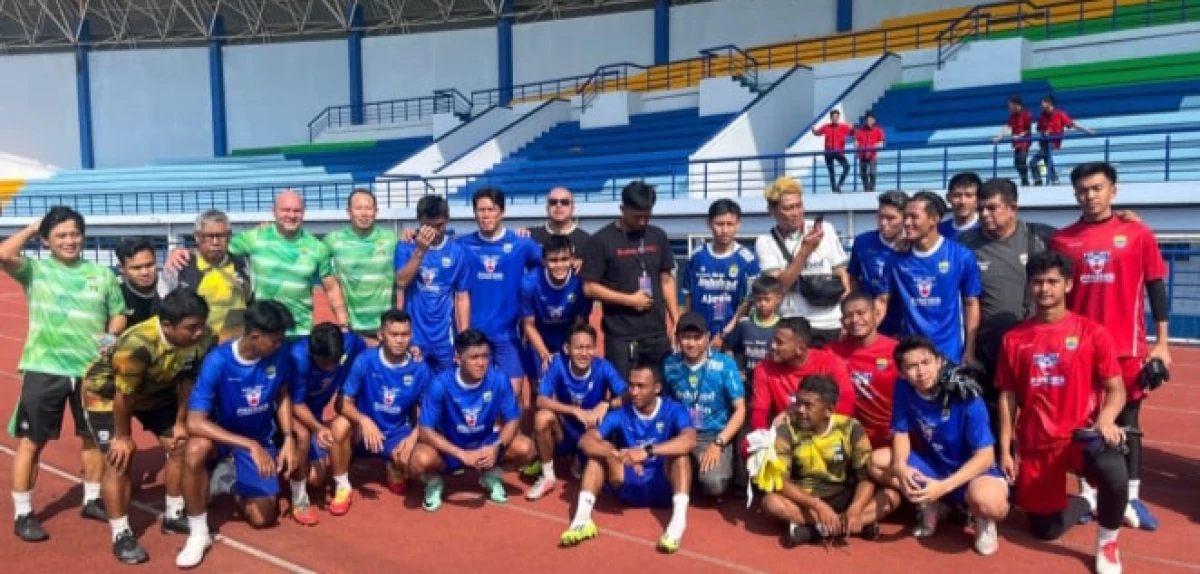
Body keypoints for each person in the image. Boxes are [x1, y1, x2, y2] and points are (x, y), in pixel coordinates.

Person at [1050, 162, 1168, 531]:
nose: (1090, 195)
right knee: (1083, 425)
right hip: (1079, 350)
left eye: (1097, 188)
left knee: (1128, 424)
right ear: (1075, 194)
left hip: (1126, 347)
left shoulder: (1137, 234)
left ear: (1113, 191)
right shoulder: (1062, 240)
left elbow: (1155, 287)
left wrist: (1162, 343)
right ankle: (1090, 495)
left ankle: (1131, 498)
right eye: (1083, 190)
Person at [996, 250, 1129, 574]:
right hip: (1037, 440)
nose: (1045, 289)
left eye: (1053, 282)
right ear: (1029, 287)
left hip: (1082, 435)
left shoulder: (1092, 332)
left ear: (1068, 284)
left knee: (1115, 473)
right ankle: (1086, 501)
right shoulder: (1014, 338)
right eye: (1038, 282)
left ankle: (1108, 542)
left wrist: (1105, 420)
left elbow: (1117, 390)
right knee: (1045, 530)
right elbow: (1007, 397)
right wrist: (1006, 448)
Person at [2, 206, 127, 542]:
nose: (70, 241)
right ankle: (24, 512)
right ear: (46, 240)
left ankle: (91, 499)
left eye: (74, 234)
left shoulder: (101, 275)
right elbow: (2, 254)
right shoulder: (35, 271)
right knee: (33, 442)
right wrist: (30, 229)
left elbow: (118, 314)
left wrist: (112, 335)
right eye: (60, 235)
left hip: (90, 372)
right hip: (45, 369)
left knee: (92, 438)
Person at [81, 289, 214, 564]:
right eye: (192, 328)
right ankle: (122, 533)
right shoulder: (137, 345)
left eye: (202, 325)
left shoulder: (198, 338)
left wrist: (179, 423)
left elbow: (187, 383)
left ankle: (174, 514)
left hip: (156, 391)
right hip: (108, 395)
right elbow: (123, 396)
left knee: (180, 446)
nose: (199, 333)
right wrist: (122, 436)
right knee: (119, 459)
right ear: (167, 326)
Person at [176, 300, 298, 568]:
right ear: (255, 336)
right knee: (194, 449)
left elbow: (283, 394)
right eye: (275, 340)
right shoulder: (218, 361)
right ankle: (199, 533)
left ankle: (228, 481)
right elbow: (194, 422)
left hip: (259, 439)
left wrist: (289, 437)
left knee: (263, 518)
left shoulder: (281, 355)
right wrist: (248, 444)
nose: (280, 345)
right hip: (223, 439)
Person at [167, 191, 350, 338]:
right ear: (274, 211)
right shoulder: (253, 238)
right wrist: (182, 252)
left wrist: (343, 324)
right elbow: (215, 247)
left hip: (300, 332)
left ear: (304, 212)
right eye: (285, 210)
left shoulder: (318, 248)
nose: (291, 215)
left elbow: (331, 288)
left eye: (297, 211)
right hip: (263, 332)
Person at [889, 337, 1010, 555]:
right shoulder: (903, 388)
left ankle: (982, 520)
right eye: (912, 366)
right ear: (902, 372)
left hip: (974, 472)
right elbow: (901, 431)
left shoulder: (966, 393)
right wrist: (899, 466)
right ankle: (935, 505)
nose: (921, 371)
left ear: (939, 361)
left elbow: (986, 456)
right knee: (880, 462)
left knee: (989, 502)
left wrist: (942, 487)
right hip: (936, 466)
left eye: (926, 362)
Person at [559, 363, 697, 553]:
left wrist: (647, 452)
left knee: (681, 456)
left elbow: (690, 440)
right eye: (631, 385)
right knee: (598, 453)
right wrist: (615, 454)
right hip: (628, 483)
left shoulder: (673, 409)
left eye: (641, 386)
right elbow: (585, 441)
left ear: (657, 388)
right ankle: (582, 521)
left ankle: (677, 524)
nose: (633, 392)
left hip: (662, 484)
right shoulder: (621, 413)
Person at [958, 178, 1056, 438]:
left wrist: (1125, 220)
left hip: (1034, 347)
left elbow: (1084, 238)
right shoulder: (966, 244)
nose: (984, 215)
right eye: (981, 209)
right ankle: (1001, 470)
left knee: (1038, 415)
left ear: (1013, 208)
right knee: (993, 416)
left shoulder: (1040, 237)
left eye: (992, 208)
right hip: (989, 350)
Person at [760, 375, 898, 547]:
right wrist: (817, 506)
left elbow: (866, 477)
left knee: (891, 496)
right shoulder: (785, 430)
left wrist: (856, 507)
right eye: (798, 402)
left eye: (808, 405)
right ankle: (852, 526)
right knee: (771, 503)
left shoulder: (851, 427)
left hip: (843, 496)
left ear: (829, 410)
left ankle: (815, 531)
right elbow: (780, 481)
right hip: (806, 499)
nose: (800, 410)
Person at [408, 329, 535, 511]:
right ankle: (435, 481)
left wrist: (496, 447)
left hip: (484, 444)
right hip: (450, 450)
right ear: (458, 359)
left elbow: (513, 419)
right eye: (474, 357)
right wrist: (461, 454)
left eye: (485, 356)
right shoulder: (440, 384)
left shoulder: (498, 379)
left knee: (527, 448)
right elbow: (425, 430)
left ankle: (491, 474)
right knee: (418, 460)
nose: (482, 363)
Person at [327, 309, 432, 515]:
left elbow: (430, 413)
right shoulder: (365, 361)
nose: (400, 340)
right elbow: (342, 403)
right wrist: (364, 421)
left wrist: (412, 438)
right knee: (339, 426)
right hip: (362, 433)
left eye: (405, 335)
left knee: (418, 462)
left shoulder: (420, 369)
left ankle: (393, 464)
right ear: (381, 335)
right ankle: (342, 486)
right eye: (394, 335)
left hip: (396, 434)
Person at [579, 182, 679, 380]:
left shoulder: (658, 236)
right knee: (625, 395)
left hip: (656, 334)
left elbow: (666, 280)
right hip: (621, 337)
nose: (642, 221)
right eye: (636, 216)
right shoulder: (601, 240)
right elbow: (589, 288)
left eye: (647, 215)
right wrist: (629, 300)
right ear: (622, 209)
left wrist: (676, 320)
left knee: (659, 393)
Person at [876, 191, 982, 365]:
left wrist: (969, 350)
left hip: (949, 353)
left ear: (934, 219)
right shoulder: (895, 259)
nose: (907, 223)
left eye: (914, 217)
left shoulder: (961, 256)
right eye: (905, 217)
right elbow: (881, 301)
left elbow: (971, 303)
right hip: (911, 354)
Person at [458, 188, 542, 405]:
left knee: (512, 396)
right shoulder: (462, 245)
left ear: (501, 212)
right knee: (474, 396)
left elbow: (552, 263)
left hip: (508, 336)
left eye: (490, 209)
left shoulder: (521, 244)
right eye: (480, 210)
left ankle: (508, 439)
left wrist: (575, 260)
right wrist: (411, 236)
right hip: (475, 335)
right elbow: (434, 249)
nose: (485, 215)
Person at [526, 324, 627, 501]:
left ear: (595, 348)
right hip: (565, 430)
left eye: (589, 348)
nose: (584, 353)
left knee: (605, 477)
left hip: (591, 432)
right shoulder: (557, 364)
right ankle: (548, 475)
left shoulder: (603, 367)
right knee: (542, 417)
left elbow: (628, 396)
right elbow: (540, 400)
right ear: (567, 349)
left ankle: (582, 461)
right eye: (579, 348)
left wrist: (606, 404)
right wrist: (573, 410)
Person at [754, 177, 851, 346]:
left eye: (799, 205)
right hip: (793, 324)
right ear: (772, 211)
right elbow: (778, 288)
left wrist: (846, 318)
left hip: (830, 322)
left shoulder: (824, 229)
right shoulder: (765, 242)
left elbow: (842, 274)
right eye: (788, 208)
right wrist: (804, 251)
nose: (796, 213)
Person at [287, 323, 367, 525]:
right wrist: (319, 428)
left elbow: (364, 349)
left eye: (334, 361)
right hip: (290, 414)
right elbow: (295, 404)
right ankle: (297, 496)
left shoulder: (351, 344)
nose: (330, 367)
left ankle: (342, 486)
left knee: (316, 478)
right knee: (303, 439)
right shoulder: (298, 359)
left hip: (315, 415)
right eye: (323, 362)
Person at [662, 312, 746, 499]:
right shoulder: (669, 364)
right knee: (660, 480)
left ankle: (722, 465)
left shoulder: (725, 364)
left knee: (714, 485)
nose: (690, 343)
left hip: (713, 435)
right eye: (685, 337)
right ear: (677, 338)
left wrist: (718, 443)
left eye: (696, 337)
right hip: (683, 433)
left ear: (707, 337)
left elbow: (740, 410)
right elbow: (665, 403)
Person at [394, 194, 472, 374]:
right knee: (414, 391)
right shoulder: (406, 247)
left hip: (445, 338)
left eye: (440, 226)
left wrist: (464, 338)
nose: (435, 232)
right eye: (428, 226)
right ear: (419, 220)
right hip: (414, 337)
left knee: (446, 391)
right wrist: (420, 251)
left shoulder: (457, 252)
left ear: (447, 220)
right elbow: (401, 281)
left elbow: (462, 297)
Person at [827, 292, 898, 481]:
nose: (855, 320)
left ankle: (927, 498)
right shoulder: (832, 351)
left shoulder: (895, 350)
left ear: (876, 314)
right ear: (842, 322)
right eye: (849, 316)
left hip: (890, 437)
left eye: (861, 313)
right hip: (851, 437)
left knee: (887, 489)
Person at [158, 209, 253, 343]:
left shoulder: (244, 265)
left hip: (234, 348)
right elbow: (162, 307)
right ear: (197, 236)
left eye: (221, 236)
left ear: (229, 236)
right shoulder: (180, 265)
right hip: (193, 346)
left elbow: (251, 302)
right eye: (209, 236)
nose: (215, 242)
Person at [749, 317, 854, 431]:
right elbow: (759, 412)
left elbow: (846, 404)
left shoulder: (831, 363)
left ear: (800, 348)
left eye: (779, 342)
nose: (772, 346)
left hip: (827, 431)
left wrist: (793, 412)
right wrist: (763, 438)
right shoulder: (764, 368)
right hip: (790, 434)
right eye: (773, 340)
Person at [322, 189, 399, 341]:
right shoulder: (332, 241)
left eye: (369, 208)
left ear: (376, 211)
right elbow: (303, 250)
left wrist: (411, 234)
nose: (364, 213)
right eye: (358, 208)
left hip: (386, 329)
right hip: (353, 329)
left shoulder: (392, 240)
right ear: (348, 212)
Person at [686, 199, 760, 350]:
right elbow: (688, 297)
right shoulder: (697, 256)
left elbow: (747, 303)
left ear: (738, 224)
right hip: (698, 336)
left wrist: (724, 334)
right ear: (709, 223)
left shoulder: (748, 260)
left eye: (730, 224)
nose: (725, 230)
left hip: (732, 337)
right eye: (719, 224)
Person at [520, 234, 591, 382]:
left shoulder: (580, 282)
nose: (559, 265)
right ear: (544, 261)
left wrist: (570, 350)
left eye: (564, 259)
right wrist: (545, 354)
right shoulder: (529, 283)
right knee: (539, 388)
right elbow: (528, 325)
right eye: (553, 260)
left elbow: (580, 324)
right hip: (540, 336)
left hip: (566, 335)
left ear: (572, 259)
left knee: (569, 382)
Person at [847, 190, 908, 336]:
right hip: (872, 321)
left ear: (905, 218)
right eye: (880, 217)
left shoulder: (912, 246)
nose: (883, 223)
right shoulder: (863, 242)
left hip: (904, 322)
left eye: (891, 218)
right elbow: (853, 278)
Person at [725, 275, 782, 389]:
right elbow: (728, 346)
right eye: (759, 299)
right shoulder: (744, 324)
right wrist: (735, 370)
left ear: (778, 299)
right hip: (745, 382)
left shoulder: (782, 327)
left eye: (767, 299)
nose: (762, 303)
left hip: (771, 382)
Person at [1030, 95, 1094, 186]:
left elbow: (1072, 124)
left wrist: (1087, 130)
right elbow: (1039, 128)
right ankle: (1055, 179)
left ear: (1049, 103)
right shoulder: (1042, 116)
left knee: (1033, 161)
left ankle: (1038, 180)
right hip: (1044, 143)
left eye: (1043, 103)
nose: (1041, 105)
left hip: (1052, 143)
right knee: (1047, 161)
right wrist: (1044, 132)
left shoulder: (1060, 114)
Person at [529, 186, 591, 264]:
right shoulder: (530, 236)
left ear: (572, 208)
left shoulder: (588, 242)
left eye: (564, 202)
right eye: (553, 202)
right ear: (547, 208)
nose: (558, 205)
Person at [114, 236, 161, 328]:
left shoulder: (170, 289)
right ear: (121, 268)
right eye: (136, 268)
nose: (145, 272)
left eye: (149, 265)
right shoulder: (114, 291)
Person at [993, 95, 1034, 186]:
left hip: (1024, 142)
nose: (1009, 107)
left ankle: (1025, 180)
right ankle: (1024, 179)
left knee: (1022, 160)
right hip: (1016, 143)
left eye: (1010, 105)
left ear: (1016, 104)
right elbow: (1007, 126)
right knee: (1016, 163)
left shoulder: (1027, 114)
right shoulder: (1012, 116)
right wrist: (999, 136)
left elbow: (1028, 129)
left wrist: (1019, 136)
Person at [811, 110, 854, 193]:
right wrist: (813, 130)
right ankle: (834, 189)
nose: (835, 119)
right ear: (831, 118)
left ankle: (839, 184)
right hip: (828, 152)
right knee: (831, 171)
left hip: (839, 152)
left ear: (838, 118)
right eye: (833, 117)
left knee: (847, 167)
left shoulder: (843, 127)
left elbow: (852, 133)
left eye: (836, 117)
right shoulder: (826, 127)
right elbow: (817, 133)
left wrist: (852, 128)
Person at [937, 172, 982, 241]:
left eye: (968, 195)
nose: (962, 201)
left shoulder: (986, 229)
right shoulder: (938, 231)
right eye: (957, 195)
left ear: (978, 199)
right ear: (948, 197)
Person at [854, 112, 885, 192]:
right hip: (862, 155)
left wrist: (873, 146)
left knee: (872, 173)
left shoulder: (878, 130)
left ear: (874, 120)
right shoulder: (860, 131)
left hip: (872, 155)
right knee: (862, 173)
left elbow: (881, 143)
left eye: (871, 119)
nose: (869, 121)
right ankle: (866, 188)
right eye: (868, 120)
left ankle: (872, 188)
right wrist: (857, 152)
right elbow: (856, 142)